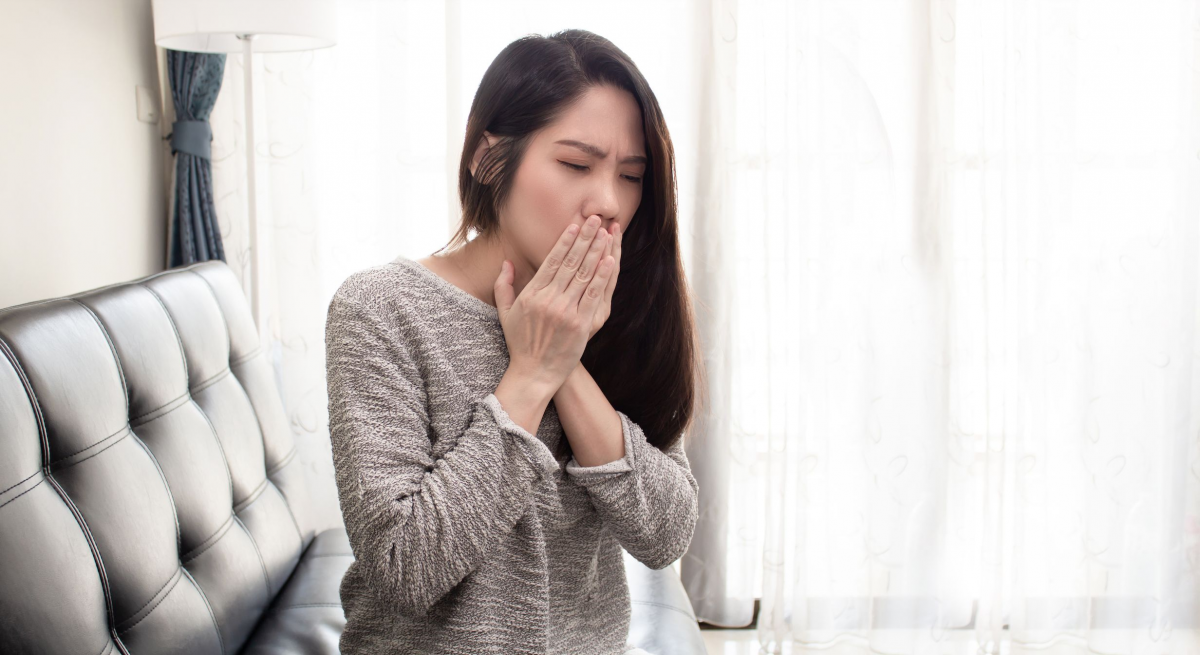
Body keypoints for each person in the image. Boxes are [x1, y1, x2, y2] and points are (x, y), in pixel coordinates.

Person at [324, 28, 704, 655]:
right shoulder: (379, 309)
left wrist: (565, 358)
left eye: (631, 176)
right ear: (486, 156)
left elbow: (665, 533)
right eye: (576, 165)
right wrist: (529, 377)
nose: (608, 202)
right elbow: (404, 567)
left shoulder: (619, 309)